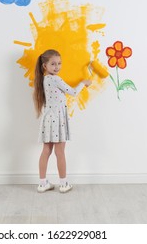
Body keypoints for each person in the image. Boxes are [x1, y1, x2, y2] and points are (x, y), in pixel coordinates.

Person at [33, 49, 91, 193]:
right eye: (53, 64)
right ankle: (64, 183)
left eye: (59, 63)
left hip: (49, 119)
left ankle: (42, 183)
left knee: (46, 150)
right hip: (57, 120)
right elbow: (73, 92)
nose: (57, 67)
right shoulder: (55, 79)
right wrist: (83, 83)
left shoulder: (45, 79)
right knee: (60, 152)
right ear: (44, 66)